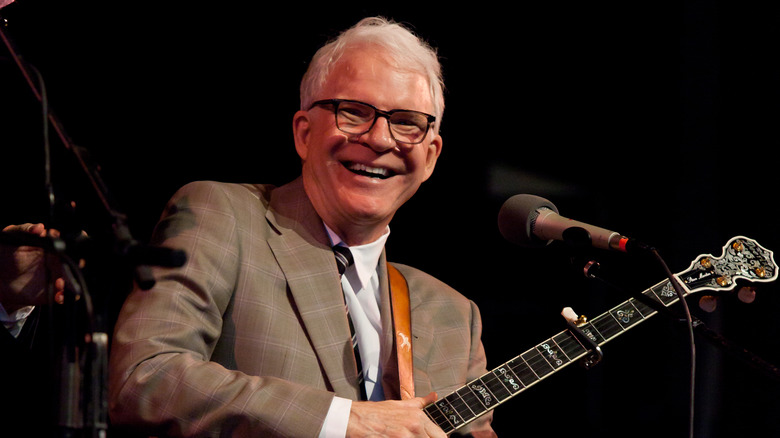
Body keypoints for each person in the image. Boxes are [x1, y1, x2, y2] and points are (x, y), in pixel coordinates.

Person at [108, 16, 496, 437]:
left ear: (431, 156)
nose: (381, 139)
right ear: (304, 133)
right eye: (354, 112)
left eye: (406, 122)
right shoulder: (224, 216)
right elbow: (146, 379)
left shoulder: (455, 315)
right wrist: (342, 421)